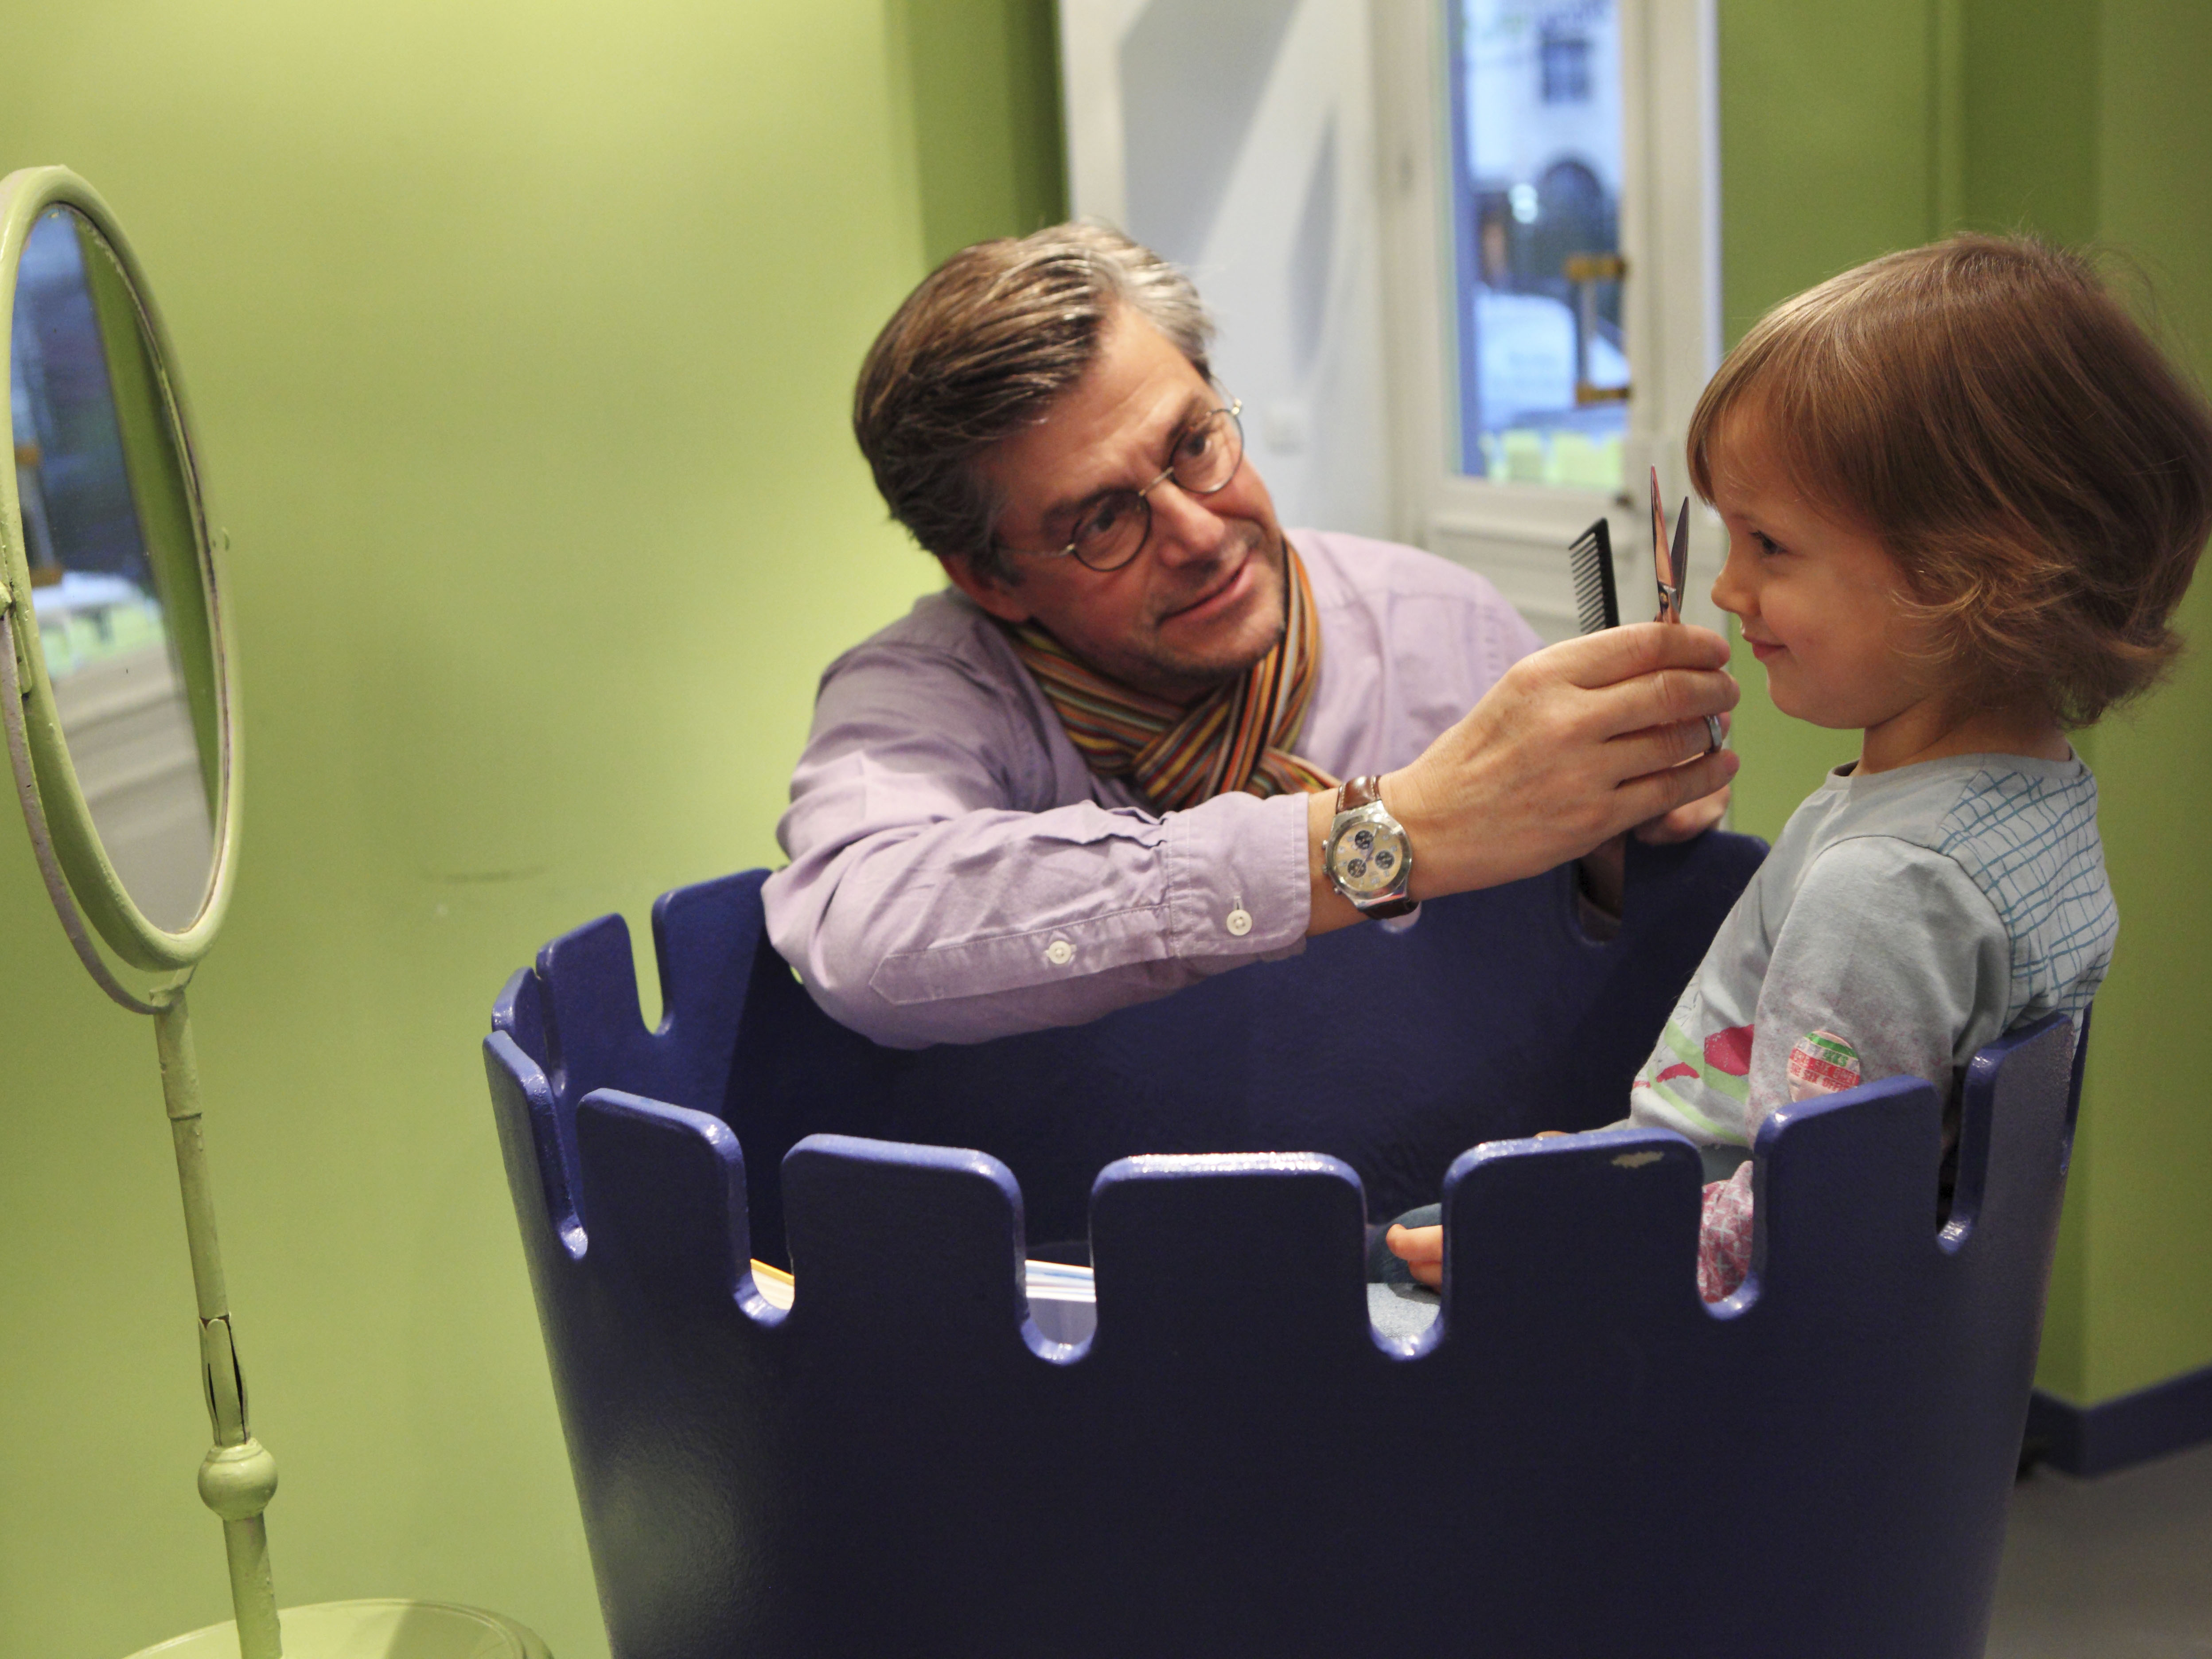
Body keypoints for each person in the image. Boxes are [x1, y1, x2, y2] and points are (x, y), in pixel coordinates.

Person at [1384, 234, 2212, 1300]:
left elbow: (1798, 1232)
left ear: (1979, 570)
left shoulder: (1886, 889)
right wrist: (1605, 1171)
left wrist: (1570, 1231)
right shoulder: (2041, 800)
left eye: (1771, 546)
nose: (1726, 591)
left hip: (1714, 1365)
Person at [765, 223, 1738, 1048]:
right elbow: (865, 937)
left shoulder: (1446, 629)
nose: (1199, 533)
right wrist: (1391, 835)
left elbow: (1599, 987)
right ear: (990, 578)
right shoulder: (926, 697)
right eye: (1103, 519)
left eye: (1194, 444)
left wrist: (1614, 859)